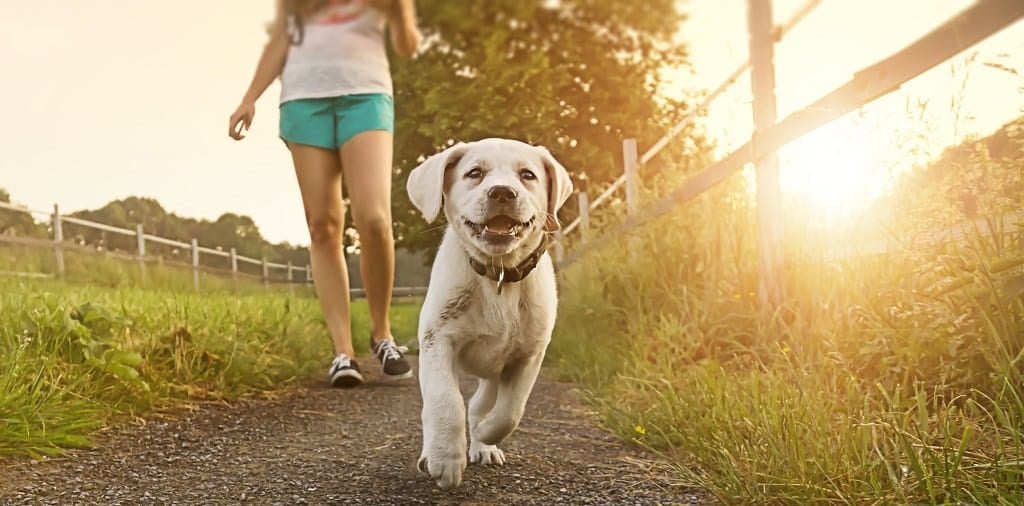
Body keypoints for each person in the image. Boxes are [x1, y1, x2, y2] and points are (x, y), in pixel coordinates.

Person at [228, 0, 422, 387]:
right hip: (303, 100)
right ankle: (342, 352)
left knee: (375, 219)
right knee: (323, 226)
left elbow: (407, 47)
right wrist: (250, 97)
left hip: (366, 95)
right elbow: (281, 39)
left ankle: (382, 335)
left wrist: (400, 12)